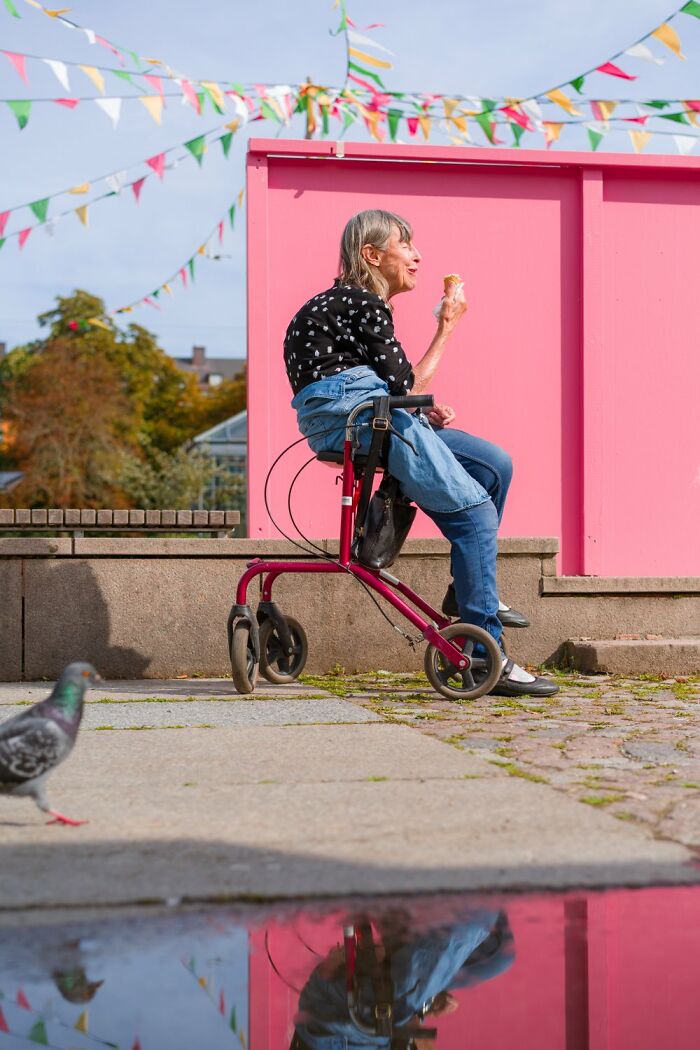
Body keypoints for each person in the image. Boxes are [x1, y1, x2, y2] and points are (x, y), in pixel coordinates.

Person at [283, 208, 557, 697]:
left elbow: (388, 388)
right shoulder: (363, 303)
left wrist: (415, 411)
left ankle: (467, 590)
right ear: (371, 255)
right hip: (361, 423)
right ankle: (482, 657)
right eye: (404, 245)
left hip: (364, 419)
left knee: (494, 465)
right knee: (473, 517)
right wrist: (448, 325)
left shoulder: (339, 305)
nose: (417, 254)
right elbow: (406, 383)